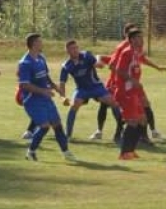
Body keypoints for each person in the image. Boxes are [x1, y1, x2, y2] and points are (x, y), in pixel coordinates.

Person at [18, 33, 76, 162]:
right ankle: (31, 151)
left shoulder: (41, 58)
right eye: (40, 42)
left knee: (57, 125)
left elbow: (45, 76)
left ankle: (66, 152)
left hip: (45, 98)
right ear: (34, 44)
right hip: (32, 100)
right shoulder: (25, 63)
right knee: (44, 126)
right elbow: (24, 85)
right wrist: (43, 91)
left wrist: (55, 87)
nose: (42, 43)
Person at [59, 40, 121, 140]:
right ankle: (68, 135)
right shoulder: (66, 65)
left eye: (76, 48)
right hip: (82, 89)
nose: (75, 50)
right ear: (67, 51)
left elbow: (96, 63)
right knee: (74, 105)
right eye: (72, 49)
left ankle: (120, 131)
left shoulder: (86, 55)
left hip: (96, 86)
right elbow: (62, 83)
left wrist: (98, 64)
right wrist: (62, 97)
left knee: (112, 102)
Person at [110, 28, 154, 160]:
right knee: (133, 122)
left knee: (142, 120)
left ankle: (131, 150)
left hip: (134, 91)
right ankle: (124, 153)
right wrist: (132, 80)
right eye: (139, 37)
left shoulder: (136, 52)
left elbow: (140, 62)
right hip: (126, 91)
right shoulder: (126, 52)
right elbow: (119, 70)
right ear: (132, 40)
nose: (142, 40)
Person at [92, 23, 136, 142]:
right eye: (132, 33)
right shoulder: (123, 47)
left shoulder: (135, 47)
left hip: (126, 83)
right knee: (111, 105)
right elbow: (113, 62)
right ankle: (110, 133)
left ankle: (117, 133)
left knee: (118, 106)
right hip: (116, 83)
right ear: (126, 34)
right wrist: (99, 60)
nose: (135, 36)